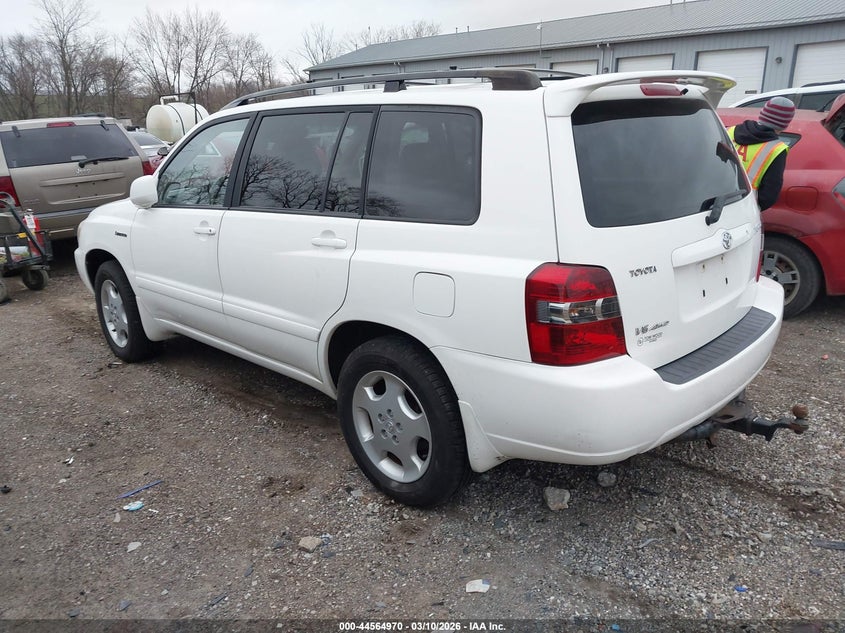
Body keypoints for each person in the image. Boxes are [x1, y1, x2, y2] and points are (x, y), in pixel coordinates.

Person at [727, 96, 796, 210]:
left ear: (763, 114)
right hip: (745, 208)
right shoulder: (777, 149)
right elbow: (769, 194)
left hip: (714, 202)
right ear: (785, 124)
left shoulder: (730, 130)